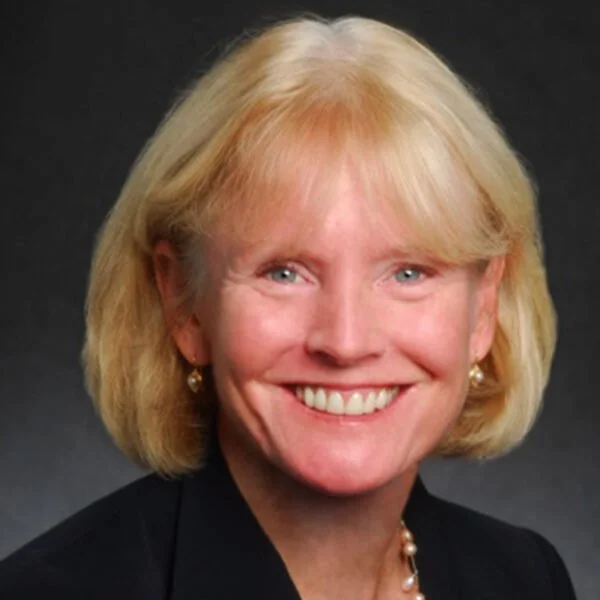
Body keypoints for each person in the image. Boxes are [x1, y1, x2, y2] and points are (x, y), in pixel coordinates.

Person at [0, 15, 576, 600]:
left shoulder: (524, 577)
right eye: (284, 272)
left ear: (483, 306)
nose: (346, 341)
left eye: (409, 272)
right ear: (184, 303)